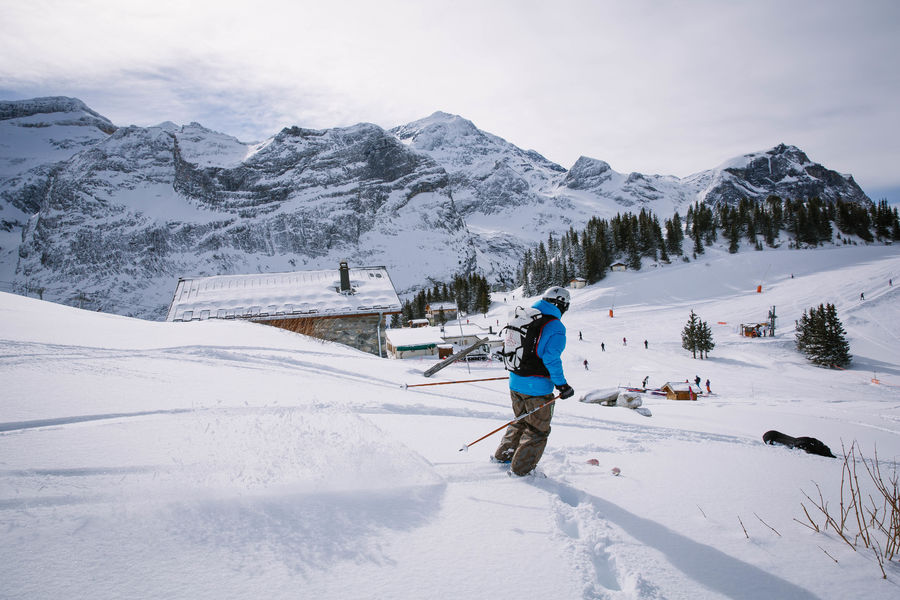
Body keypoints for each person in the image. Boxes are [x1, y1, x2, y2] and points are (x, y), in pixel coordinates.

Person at [494, 286, 573, 476]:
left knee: (520, 421)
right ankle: (521, 471)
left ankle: (504, 455)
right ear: (561, 305)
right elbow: (551, 359)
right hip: (536, 388)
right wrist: (562, 385)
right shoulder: (555, 326)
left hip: (515, 381)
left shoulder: (525, 316)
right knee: (537, 430)